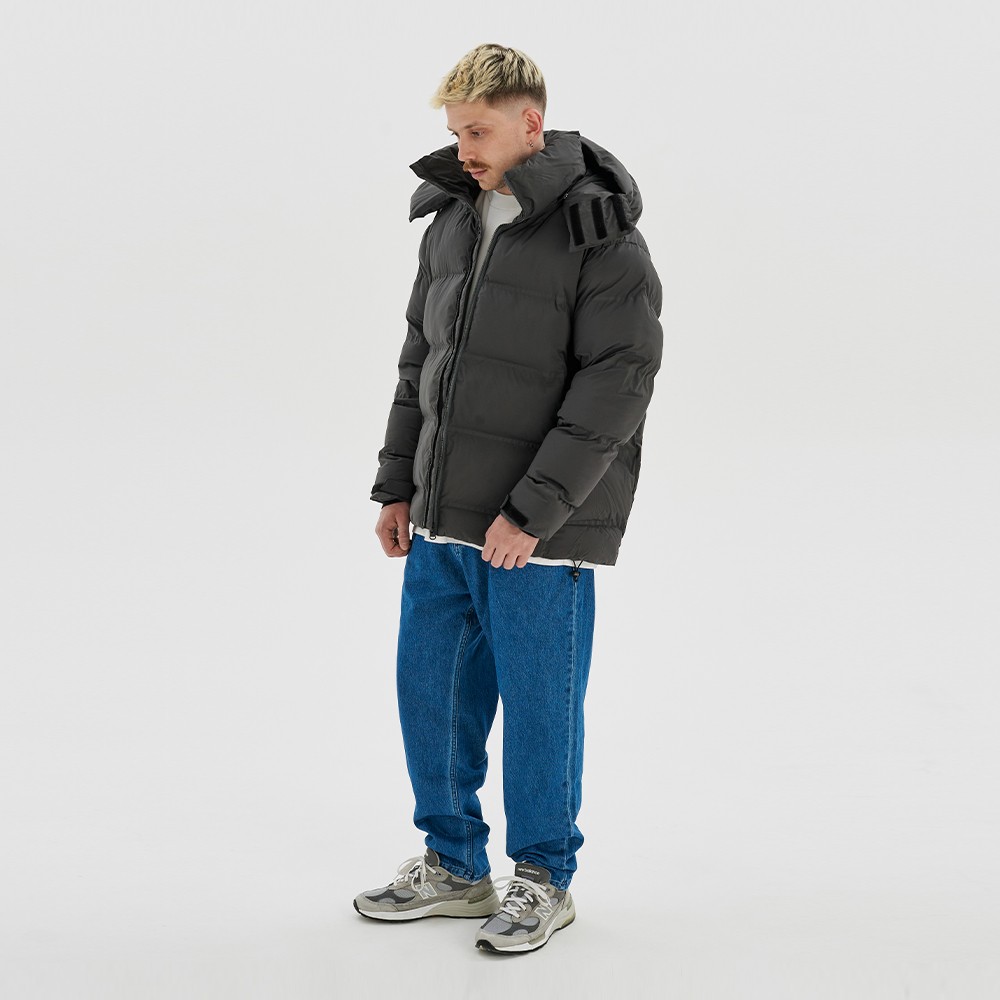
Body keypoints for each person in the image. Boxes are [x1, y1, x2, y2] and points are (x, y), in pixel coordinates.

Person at [354, 43, 663, 954]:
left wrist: (533, 511)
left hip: (537, 533)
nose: (464, 149)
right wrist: (396, 483)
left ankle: (543, 878)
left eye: (478, 132)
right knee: (431, 696)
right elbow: (421, 361)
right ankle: (454, 866)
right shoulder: (452, 219)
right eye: (455, 132)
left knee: (539, 708)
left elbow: (618, 381)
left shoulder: (600, 232)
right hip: (441, 520)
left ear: (531, 123)